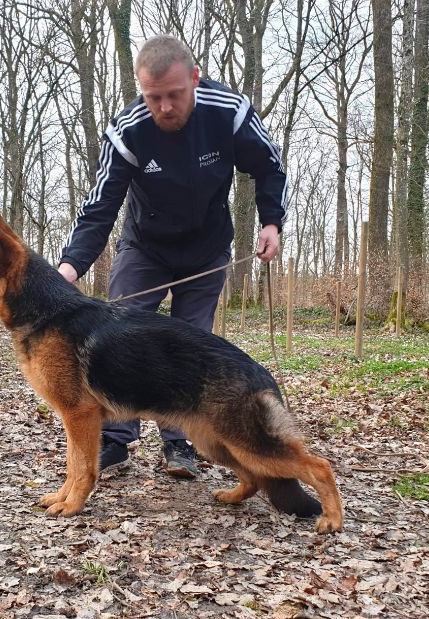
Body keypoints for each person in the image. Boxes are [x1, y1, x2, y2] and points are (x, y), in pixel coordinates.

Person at [58, 34, 287, 479]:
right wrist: (70, 267)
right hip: (145, 246)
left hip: (207, 249)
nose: (163, 107)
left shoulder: (229, 113)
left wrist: (271, 222)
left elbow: (269, 165)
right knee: (119, 335)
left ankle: (179, 443)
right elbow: (100, 205)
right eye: (153, 97)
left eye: (174, 95)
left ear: (195, 80)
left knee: (187, 340)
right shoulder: (127, 130)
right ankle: (116, 441)